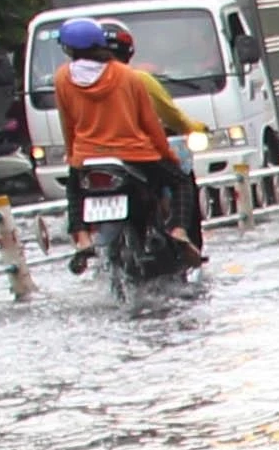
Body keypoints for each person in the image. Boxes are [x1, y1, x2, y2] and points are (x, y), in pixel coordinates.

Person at [52, 15, 207, 269]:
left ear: (68, 49)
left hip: (88, 157)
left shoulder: (61, 79)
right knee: (180, 181)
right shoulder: (129, 77)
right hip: (136, 155)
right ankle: (178, 230)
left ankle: (81, 237)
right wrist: (167, 154)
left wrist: (74, 156)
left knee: (74, 189)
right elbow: (150, 124)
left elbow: (67, 123)